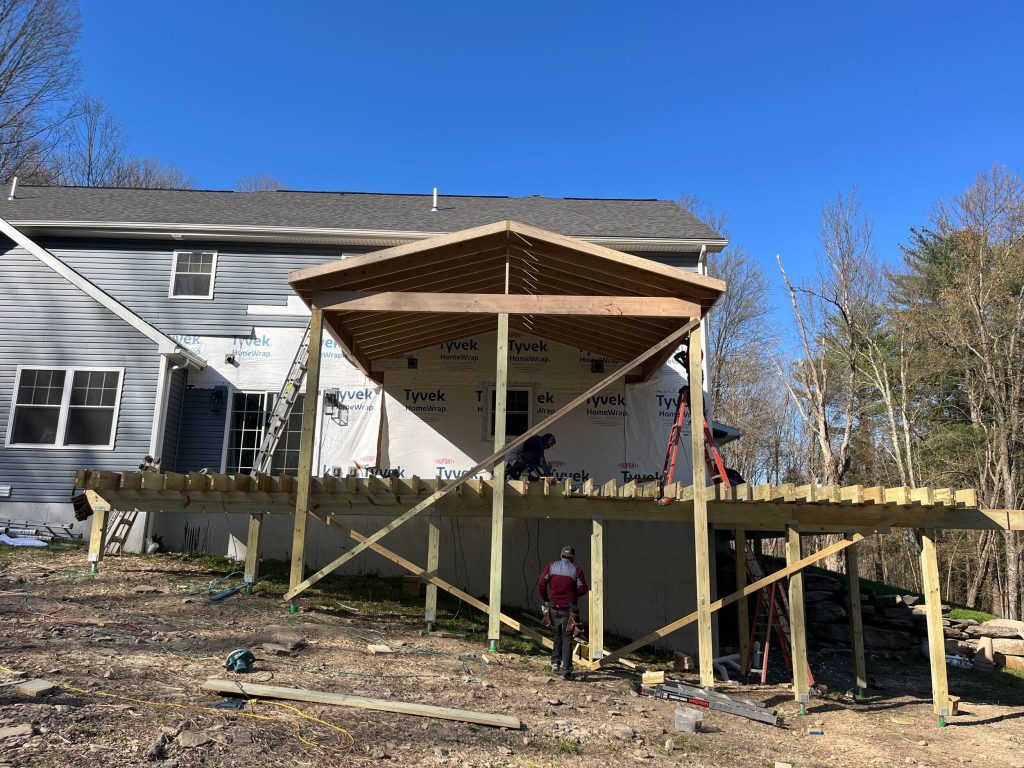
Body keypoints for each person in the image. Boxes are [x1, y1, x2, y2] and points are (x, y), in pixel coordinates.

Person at [537, 544, 589, 679]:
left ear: (561, 555)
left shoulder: (551, 566)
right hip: (569, 609)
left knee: (557, 634)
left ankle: (555, 663)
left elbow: (542, 583)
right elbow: (583, 589)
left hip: (553, 607)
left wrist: (546, 599)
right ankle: (566, 671)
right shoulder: (576, 570)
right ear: (572, 557)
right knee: (567, 639)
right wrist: (572, 594)